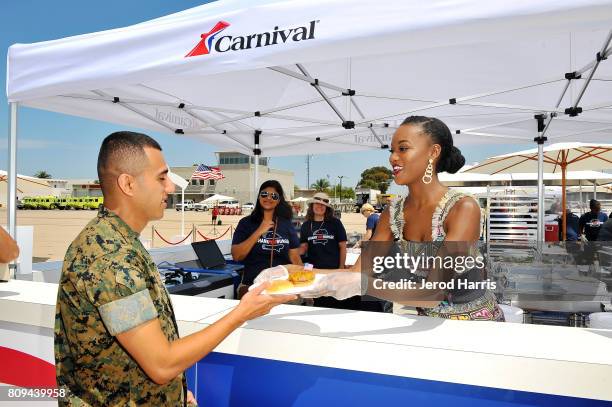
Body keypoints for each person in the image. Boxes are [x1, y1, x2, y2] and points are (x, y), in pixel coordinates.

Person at [54, 132, 295, 406]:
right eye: (161, 177)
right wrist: (242, 313)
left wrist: (176, 393)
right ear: (128, 183)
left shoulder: (118, 242)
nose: (169, 187)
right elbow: (161, 364)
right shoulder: (110, 256)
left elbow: (145, 353)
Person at [278, 115, 504, 321]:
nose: (393, 158)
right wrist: (299, 274)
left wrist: (364, 285)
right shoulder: (392, 212)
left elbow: (434, 292)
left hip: (477, 327)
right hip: (424, 324)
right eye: (391, 151)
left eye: (403, 149)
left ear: (433, 153)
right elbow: (358, 272)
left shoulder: (464, 208)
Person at [232, 180, 302, 298]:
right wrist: (259, 231)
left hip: (283, 287)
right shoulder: (245, 223)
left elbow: (294, 257)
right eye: (264, 194)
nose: (268, 198)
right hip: (253, 287)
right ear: (259, 196)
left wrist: (305, 283)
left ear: (278, 200)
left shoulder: (287, 225)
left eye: (274, 196)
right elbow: (237, 256)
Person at [300, 192, 354, 309]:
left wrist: (340, 269)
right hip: (315, 272)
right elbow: (304, 250)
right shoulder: (305, 225)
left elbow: (343, 247)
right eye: (317, 204)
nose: (319, 207)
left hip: (333, 270)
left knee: (335, 301)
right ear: (312, 206)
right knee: (319, 303)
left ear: (327, 208)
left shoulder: (335, 223)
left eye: (323, 205)